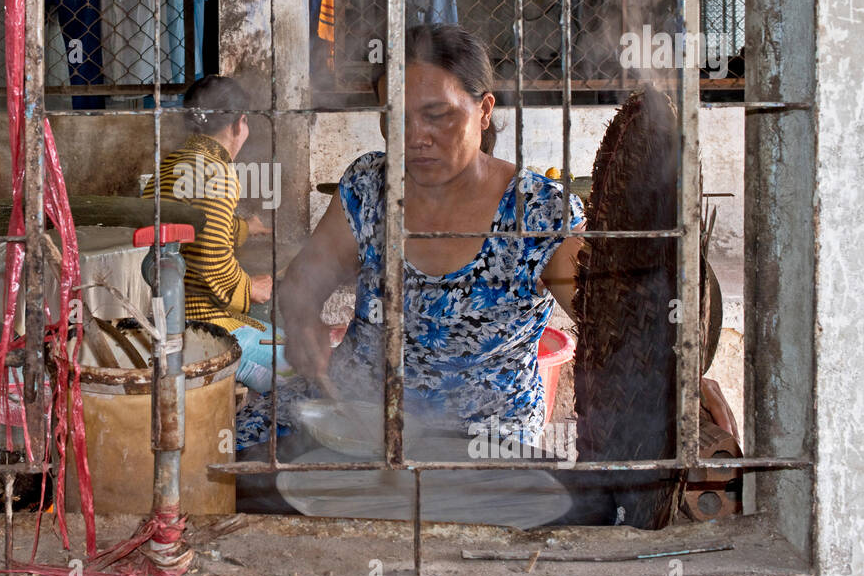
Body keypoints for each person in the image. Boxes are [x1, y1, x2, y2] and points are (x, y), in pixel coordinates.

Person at [258, 23, 584, 450]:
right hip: (355, 409)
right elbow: (303, 281)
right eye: (395, 117)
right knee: (240, 455)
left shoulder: (539, 211)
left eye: (437, 116)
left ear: (484, 110)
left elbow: (610, 323)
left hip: (477, 432)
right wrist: (301, 321)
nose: (414, 138)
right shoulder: (369, 186)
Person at [141, 75, 289, 393]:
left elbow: (195, 225)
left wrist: (247, 228)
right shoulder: (219, 172)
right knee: (296, 356)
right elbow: (211, 262)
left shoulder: (166, 168)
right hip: (205, 329)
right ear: (240, 123)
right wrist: (251, 288)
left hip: (166, 321)